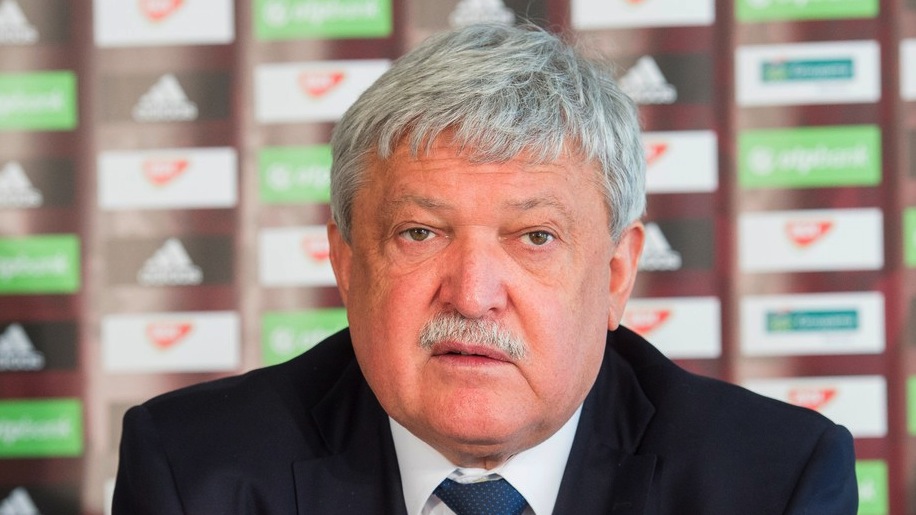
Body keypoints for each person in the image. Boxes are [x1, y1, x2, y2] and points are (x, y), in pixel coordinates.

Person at [113, 23, 858, 514]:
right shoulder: (196, 472)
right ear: (346, 261)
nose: (472, 295)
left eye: (534, 237)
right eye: (419, 232)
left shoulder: (771, 482)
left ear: (615, 275)